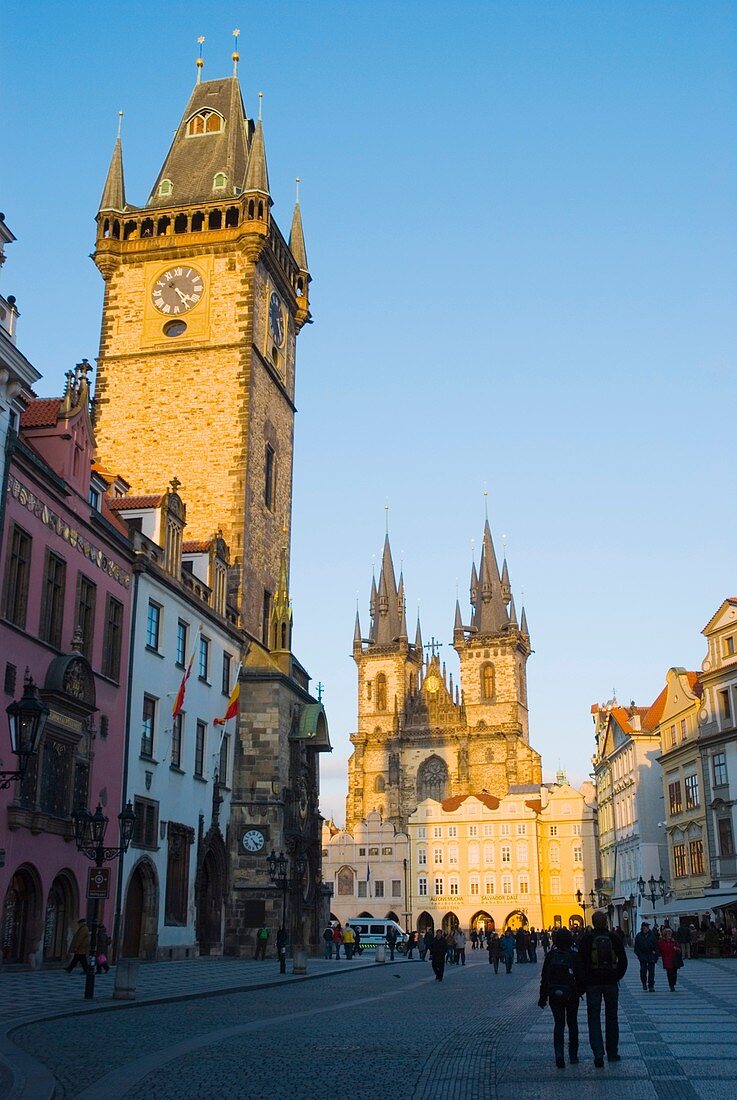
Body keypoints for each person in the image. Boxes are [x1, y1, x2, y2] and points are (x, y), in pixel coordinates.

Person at [579, 910, 628, 1067]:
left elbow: (580, 963)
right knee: (612, 1017)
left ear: (593, 923)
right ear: (606, 921)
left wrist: (586, 980)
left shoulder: (587, 938)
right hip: (611, 983)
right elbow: (623, 961)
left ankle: (598, 1054)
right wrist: (616, 976)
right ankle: (612, 1052)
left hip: (593, 984)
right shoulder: (613, 937)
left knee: (594, 1018)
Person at [538, 927, 584, 1068]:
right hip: (571, 994)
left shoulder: (551, 956)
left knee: (558, 1024)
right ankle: (573, 1055)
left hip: (554, 994)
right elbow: (581, 977)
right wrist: (578, 992)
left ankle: (559, 1054)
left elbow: (544, 978)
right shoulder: (574, 955)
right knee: (572, 1024)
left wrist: (542, 997)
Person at [634, 920, 658, 992]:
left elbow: (656, 945)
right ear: (642, 928)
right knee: (643, 971)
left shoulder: (652, 935)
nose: (646, 929)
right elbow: (636, 947)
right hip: (643, 956)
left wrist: (655, 953)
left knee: (651, 972)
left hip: (651, 955)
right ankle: (644, 983)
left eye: (647, 927)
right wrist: (639, 955)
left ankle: (651, 985)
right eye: (644, 928)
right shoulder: (639, 936)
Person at [658, 926, 683, 991]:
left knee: (674, 972)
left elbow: (679, 949)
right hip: (667, 960)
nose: (669, 935)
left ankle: (673, 983)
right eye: (668, 934)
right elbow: (660, 949)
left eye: (670, 933)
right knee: (669, 973)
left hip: (674, 960)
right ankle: (671, 985)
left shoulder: (674, 941)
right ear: (665, 935)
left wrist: (677, 949)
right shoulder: (662, 942)